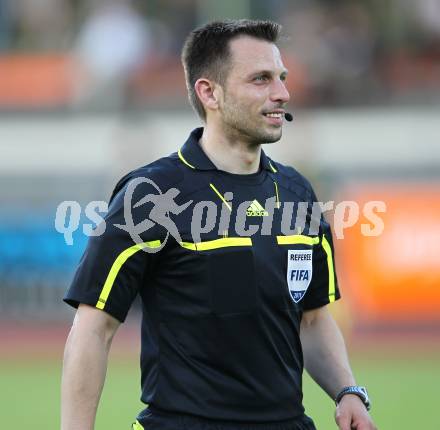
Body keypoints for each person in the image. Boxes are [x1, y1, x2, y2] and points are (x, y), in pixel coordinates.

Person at [61, 19, 377, 430]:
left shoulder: (298, 192)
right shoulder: (151, 195)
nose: (281, 93)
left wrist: (347, 390)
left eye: (281, 78)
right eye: (260, 79)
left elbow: (313, 319)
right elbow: (92, 330)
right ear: (209, 92)